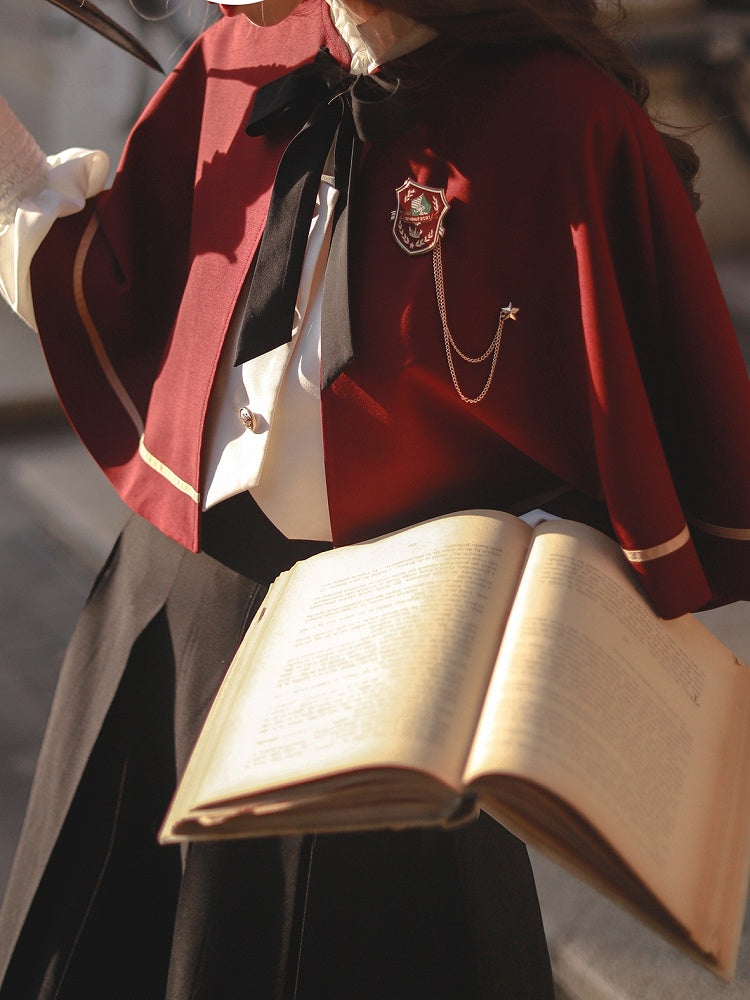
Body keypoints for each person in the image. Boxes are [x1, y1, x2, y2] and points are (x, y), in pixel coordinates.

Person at [0, 0, 748, 996]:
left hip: (396, 680)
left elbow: (664, 432)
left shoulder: (567, 123)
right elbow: (123, 286)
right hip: (169, 627)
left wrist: (537, 566)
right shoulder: (240, 56)